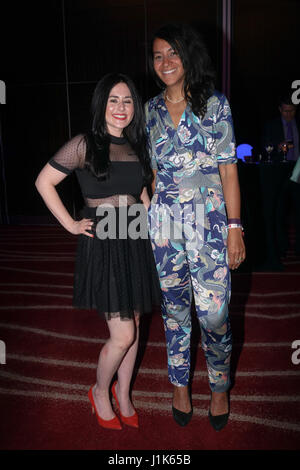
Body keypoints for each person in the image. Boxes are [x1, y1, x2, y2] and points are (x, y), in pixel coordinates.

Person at [35, 73, 160, 430]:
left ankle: (124, 393)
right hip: (103, 243)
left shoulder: (138, 145)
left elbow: (141, 192)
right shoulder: (83, 144)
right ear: (101, 104)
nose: (121, 108)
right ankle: (99, 391)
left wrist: (150, 221)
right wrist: (71, 224)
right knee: (122, 334)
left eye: (127, 101)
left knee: (135, 323)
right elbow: (43, 182)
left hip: (135, 239)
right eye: (113, 100)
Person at [145, 23, 246, 430]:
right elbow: (153, 173)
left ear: (188, 57)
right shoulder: (150, 110)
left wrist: (235, 228)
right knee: (174, 311)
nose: (166, 62)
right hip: (164, 224)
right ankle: (180, 383)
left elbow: (229, 171)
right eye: (158, 55)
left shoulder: (214, 104)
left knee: (214, 312)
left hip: (210, 223)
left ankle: (219, 384)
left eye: (173, 53)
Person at [262, 95, 300, 259]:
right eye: (285, 110)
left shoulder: (299, 124)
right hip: (278, 172)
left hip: (298, 172)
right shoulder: (272, 125)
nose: (288, 114)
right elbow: (265, 146)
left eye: (291, 111)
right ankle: (280, 246)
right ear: (280, 109)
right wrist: (277, 147)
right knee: (279, 212)